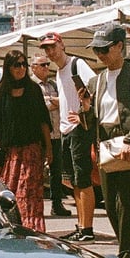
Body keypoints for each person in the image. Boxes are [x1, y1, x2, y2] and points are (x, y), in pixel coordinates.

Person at [85, 25, 130, 258]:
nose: (100, 54)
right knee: (111, 205)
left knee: (129, 205)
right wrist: (84, 110)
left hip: (128, 144)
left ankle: (128, 257)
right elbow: (90, 120)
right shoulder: (96, 81)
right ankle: (129, 254)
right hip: (106, 147)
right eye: (97, 50)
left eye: (104, 49)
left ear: (120, 46)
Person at [0, 48, 52, 233]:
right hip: (7, 153)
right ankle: (7, 228)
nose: (21, 68)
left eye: (24, 64)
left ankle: (30, 230)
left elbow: (43, 121)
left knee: (28, 193)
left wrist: (49, 149)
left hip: (31, 150)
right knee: (7, 192)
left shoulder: (33, 90)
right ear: (8, 67)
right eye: (17, 65)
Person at [37, 32, 96, 242]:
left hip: (78, 130)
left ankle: (87, 228)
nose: (50, 52)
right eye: (46, 49)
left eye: (52, 47)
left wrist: (83, 112)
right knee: (74, 182)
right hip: (66, 131)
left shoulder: (76, 64)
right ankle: (81, 226)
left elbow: (95, 86)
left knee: (82, 179)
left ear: (61, 44)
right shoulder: (61, 72)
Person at [30, 52, 70, 217]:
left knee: (56, 171)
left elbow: (64, 103)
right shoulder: (31, 85)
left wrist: (54, 101)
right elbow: (39, 109)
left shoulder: (53, 84)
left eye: (47, 64)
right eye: (42, 65)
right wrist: (54, 102)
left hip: (56, 134)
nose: (47, 67)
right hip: (39, 136)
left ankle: (57, 203)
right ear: (33, 67)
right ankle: (36, 205)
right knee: (37, 172)